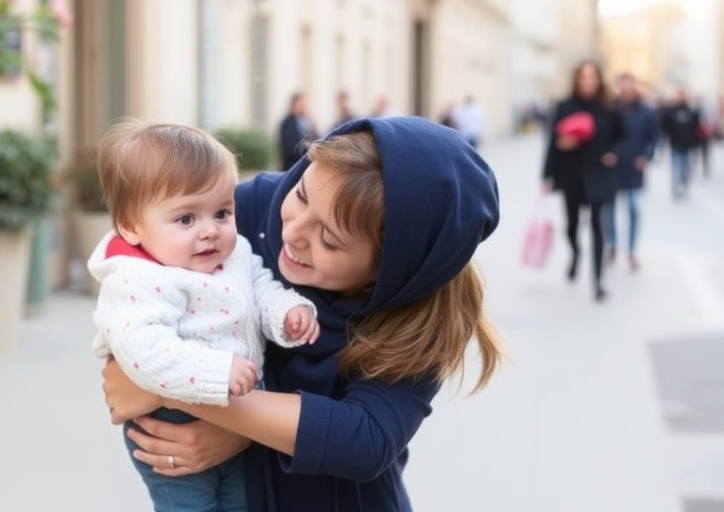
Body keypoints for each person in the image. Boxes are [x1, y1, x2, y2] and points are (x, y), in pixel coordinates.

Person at [101, 116, 505, 512]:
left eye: (328, 239)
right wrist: (149, 364)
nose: (293, 232)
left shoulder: (422, 314)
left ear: (388, 272)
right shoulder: (246, 210)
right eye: (302, 194)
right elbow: (143, 268)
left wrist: (173, 391)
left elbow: (365, 439)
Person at [89, 120, 321, 512]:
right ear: (130, 226)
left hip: (238, 412)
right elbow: (145, 351)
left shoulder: (235, 253)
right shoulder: (137, 280)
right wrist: (217, 371)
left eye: (222, 212)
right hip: (170, 423)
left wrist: (286, 313)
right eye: (185, 219)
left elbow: (260, 287)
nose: (209, 231)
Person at [542, 60, 622, 302]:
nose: (587, 81)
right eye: (583, 77)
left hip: (600, 174)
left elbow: (623, 137)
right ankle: (576, 252)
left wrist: (614, 153)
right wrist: (547, 174)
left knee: (599, 226)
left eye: (592, 77)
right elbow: (553, 143)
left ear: (598, 80)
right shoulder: (565, 106)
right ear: (577, 80)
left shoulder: (608, 107)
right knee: (572, 225)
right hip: (571, 175)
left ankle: (598, 283)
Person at [603, 73, 658, 273]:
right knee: (608, 210)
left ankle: (632, 250)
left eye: (629, 86)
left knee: (634, 208)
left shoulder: (645, 111)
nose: (625, 89)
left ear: (634, 87)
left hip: (634, 168)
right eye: (622, 86)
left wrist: (646, 156)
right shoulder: (611, 108)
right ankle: (613, 245)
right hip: (613, 167)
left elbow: (653, 138)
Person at [659, 85, 701, 199]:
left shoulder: (691, 110)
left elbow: (697, 126)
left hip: (688, 144)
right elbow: (664, 124)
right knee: (676, 166)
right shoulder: (671, 110)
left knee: (686, 167)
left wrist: (696, 141)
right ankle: (676, 187)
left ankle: (684, 184)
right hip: (675, 143)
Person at [278, 92, 318, 172]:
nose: (303, 107)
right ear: (293, 105)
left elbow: (316, 138)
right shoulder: (287, 123)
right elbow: (289, 147)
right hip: (292, 166)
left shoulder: (308, 122)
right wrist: (307, 150)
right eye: (300, 105)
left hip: (306, 166)